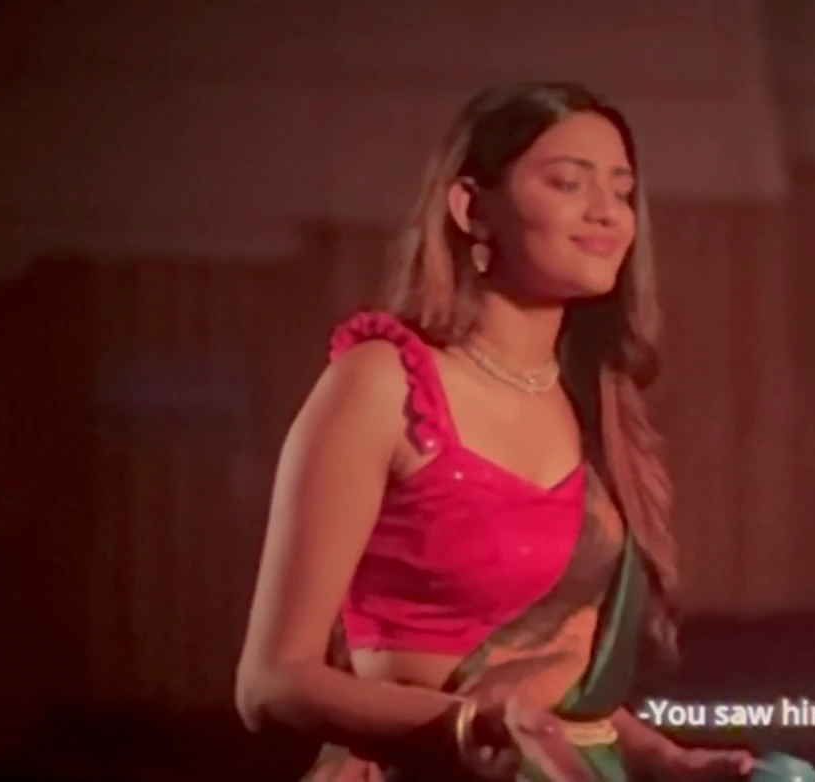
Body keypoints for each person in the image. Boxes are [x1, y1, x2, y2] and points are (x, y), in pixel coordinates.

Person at [234, 82, 755, 782]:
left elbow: (554, 691)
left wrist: (667, 760)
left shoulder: (590, 402)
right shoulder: (385, 385)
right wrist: (462, 728)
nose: (607, 212)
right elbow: (272, 682)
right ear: (472, 208)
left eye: (622, 191)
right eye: (568, 183)